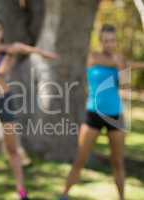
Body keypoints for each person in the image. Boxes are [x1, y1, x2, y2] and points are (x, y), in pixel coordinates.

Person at [0, 17, 58, 200]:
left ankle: (22, 191)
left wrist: (16, 52)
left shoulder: (10, 51)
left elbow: (1, 71)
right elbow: (9, 49)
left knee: (12, 149)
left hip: (5, 99)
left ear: (2, 31)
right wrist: (20, 48)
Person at [59, 24, 127, 200]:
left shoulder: (120, 60)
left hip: (115, 115)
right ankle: (64, 195)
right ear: (100, 41)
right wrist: (120, 63)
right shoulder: (93, 56)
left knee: (117, 162)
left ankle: (122, 198)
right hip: (93, 114)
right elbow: (105, 61)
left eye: (112, 41)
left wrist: (122, 65)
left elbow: (124, 83)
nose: (109, 44)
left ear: (115, 41)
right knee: (80, 158)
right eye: (105, 40)